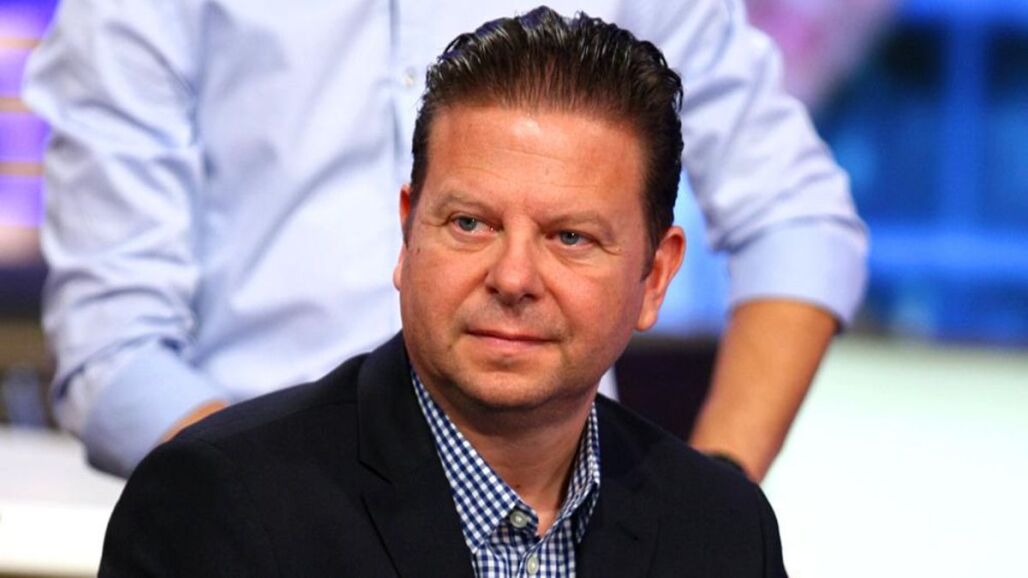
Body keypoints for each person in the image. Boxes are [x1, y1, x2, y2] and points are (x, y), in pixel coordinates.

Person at [23, 0, 867, 480]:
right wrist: (286, 511)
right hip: (243, 522)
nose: (513, 277)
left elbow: (796, 219)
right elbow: (114, 353)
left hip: (560, 528)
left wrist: (702, 509)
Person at [99, 10, 787, 575]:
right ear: (408, 232)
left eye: (570, 237)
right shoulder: (217, 507)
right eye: (470, 224)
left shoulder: (723, 531)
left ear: (655, 276)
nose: (513, 278)